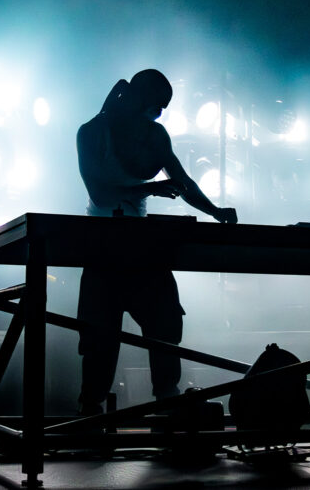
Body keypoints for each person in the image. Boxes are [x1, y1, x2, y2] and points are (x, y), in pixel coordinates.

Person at [75, 69, 237, 415]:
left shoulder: (155, 136)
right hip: (102, 245)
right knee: (100, 334)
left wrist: (214, 211)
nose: (156, 116)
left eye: (161, 111)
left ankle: (167, 396)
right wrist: (149, 188)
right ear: (134, 100)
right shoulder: (91, 133)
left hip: (141, 243)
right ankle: (91, 408)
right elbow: (100, 194)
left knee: (164, 320)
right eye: (154, 108)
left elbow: (182, 180)